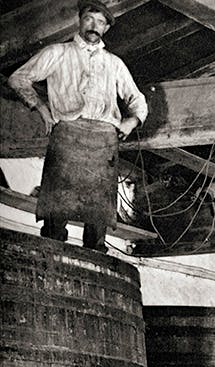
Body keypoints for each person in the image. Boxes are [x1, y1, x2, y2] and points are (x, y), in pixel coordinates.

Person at [7, 2, 147, 252]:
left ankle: (97, 261)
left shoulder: (113, 63)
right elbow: (18, 78)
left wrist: (131, 121)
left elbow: (138, 100)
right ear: (80, 21)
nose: (94, 26)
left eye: (101, 22)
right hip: (67, 135)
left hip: (104, 141)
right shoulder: (57, 52)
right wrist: (40, 108)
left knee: (97, 220)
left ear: (106, 29)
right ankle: (50, 260)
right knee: (54, 217)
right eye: (89, 19)